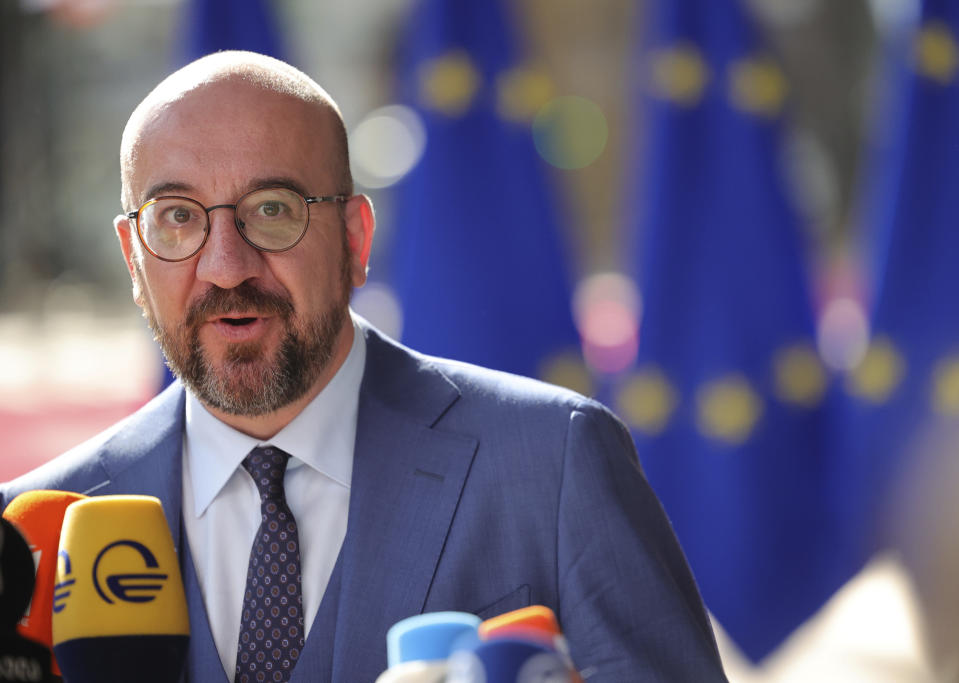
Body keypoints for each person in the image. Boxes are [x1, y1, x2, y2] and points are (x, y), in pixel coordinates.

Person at [0, 51, 727, 682]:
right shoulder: (26, 532)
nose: (225, 266)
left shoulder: (554, 463)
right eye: (177, 217)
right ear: (133, 258)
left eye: (272, 208)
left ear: (354, 239)